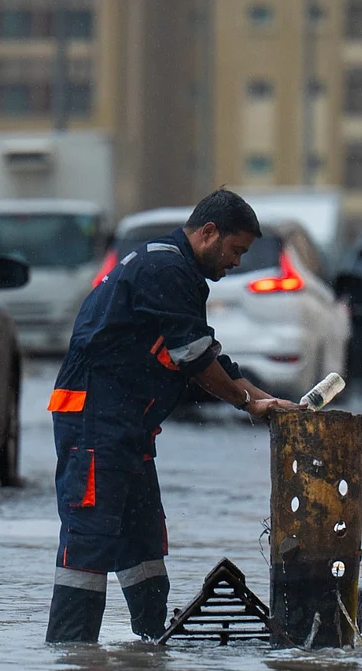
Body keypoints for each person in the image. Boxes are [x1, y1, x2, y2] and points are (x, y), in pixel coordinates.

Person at [45, 189, 300, 644]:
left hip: (127, 426)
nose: (237, 262)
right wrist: (247, 404)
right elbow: (196, 361)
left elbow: (206, 353)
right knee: (90, 538)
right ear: (209, 233)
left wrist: (269, 401)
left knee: (142, 537)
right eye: (236, 250)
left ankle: (150, 644)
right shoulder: (166, 269)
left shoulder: (177, 271)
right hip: (93, 422)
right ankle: (72, 656)